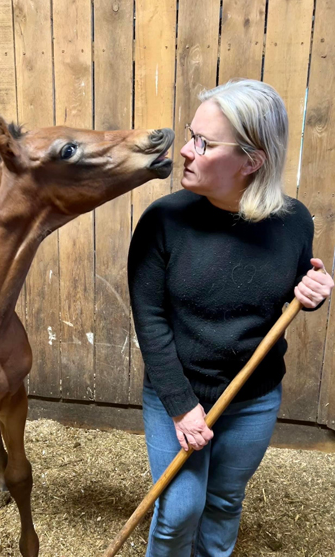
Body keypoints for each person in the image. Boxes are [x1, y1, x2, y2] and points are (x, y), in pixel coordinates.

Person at [128, 79, 334, 557]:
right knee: (177, 511)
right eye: (190, 134)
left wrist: (314, 290)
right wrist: (181, 406)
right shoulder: (163, 221)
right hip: (176, 392)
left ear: (251, 160)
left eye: (203, 142)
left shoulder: (294, 221)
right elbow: (150, 320)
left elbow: (296, 289)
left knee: (222, 503)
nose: (185, 149)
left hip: (252, 399)